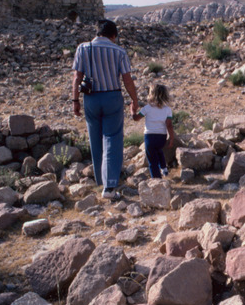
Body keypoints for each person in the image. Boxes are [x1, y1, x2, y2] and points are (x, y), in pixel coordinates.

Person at [71, 19, 139, 199]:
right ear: (113, 35)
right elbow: (127, 79)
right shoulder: (119, 51)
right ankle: (109, 186)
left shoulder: (83, 48)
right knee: (112, 139)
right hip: (112, 97)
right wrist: (134, 100)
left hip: (91, 98)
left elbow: (77, 77)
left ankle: (100, 181)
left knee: (95, 139)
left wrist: (75, 100)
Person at [133, 84, 175, 178]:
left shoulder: (147, 108)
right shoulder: (167, 110)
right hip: (162, 137)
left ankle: (157, 180)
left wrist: (132, 111)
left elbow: (136, 118)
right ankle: (164, 169)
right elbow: (169, 125)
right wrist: (172, 138)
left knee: (152, 161)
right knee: (159, 150)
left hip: (150, 137)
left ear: (151, 95)